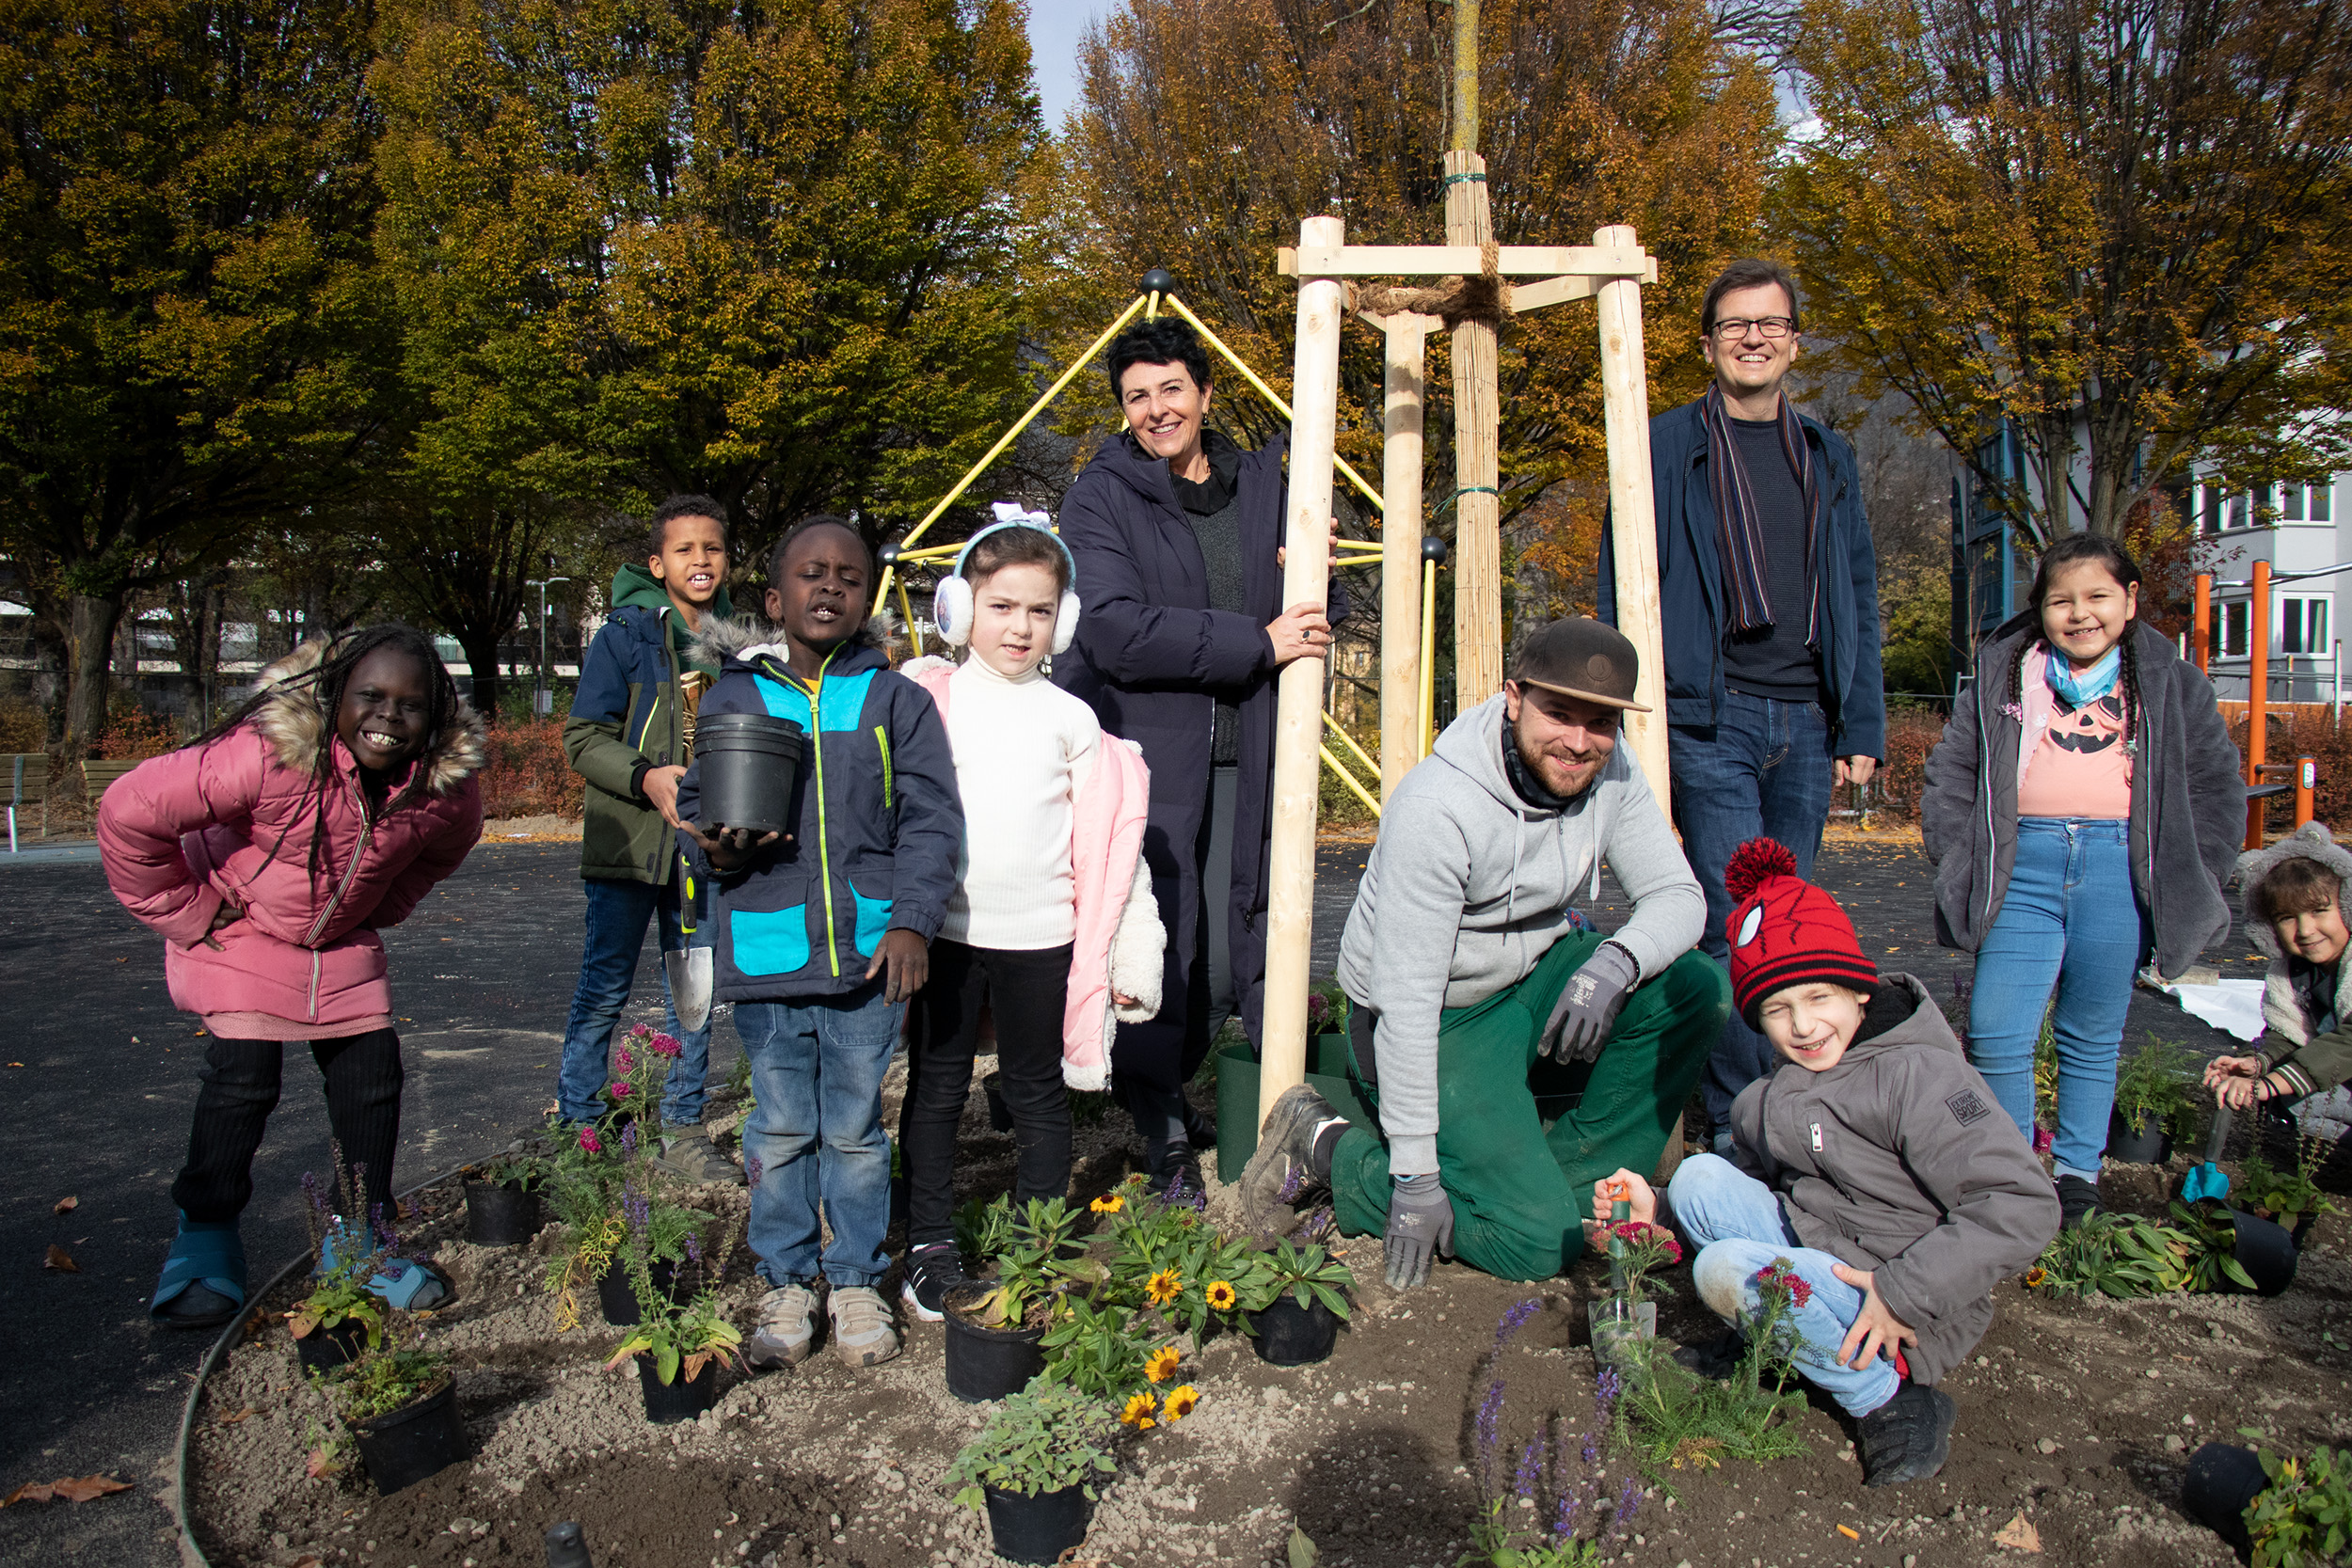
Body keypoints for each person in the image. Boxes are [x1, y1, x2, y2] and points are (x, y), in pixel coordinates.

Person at [1242, 617, 1729, 1290]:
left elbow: (1680, 895)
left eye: (1600, 722)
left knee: (1696, 988)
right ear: (1513, 696)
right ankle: (1329, 1147)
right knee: (1531, 1245)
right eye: (1559, 713)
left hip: (1531, 976)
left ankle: (1574, 1195)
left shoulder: (1611, 771)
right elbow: (1406, 1005)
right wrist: (1411, 1175)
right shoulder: (1440, 807)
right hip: (1435, 1015)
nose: (1578, 741)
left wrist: (1616, 962)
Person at [1585, 838, 2058, 1487]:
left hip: (1906, 1296)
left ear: (1859, 991)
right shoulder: (1771, 1094)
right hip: (1827, 1253)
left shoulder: (1915, 1075)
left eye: (1819, 998)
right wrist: (1658, 1209)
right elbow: (1751, 1195)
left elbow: (2022, 1204)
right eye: (1777, 1010)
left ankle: (1886, 1395)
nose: (1803, 1026)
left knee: (1724, 1269)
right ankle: (1779, 1338)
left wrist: (1902, 1291)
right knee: (1697, 1178)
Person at [99, 626, 486, 1329]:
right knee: (244, 1075)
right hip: (238, 923)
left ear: (437, 715)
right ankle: (206, 1234)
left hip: (336, 939)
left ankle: (357, 1242)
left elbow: (444, 851)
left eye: (411, 704)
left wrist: (377, 906)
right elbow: (130, 812)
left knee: (372, 1073)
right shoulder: (269, 754)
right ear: (336, 696)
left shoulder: (440, 789)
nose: (388, 716)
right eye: (370, 696)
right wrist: (186, 910)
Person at [1597, 257, 1885, 1148]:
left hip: (1806, 719)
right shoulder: (1665, 444)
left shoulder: (1826, 455)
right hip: (1709, 716)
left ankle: (1785, 1106)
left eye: (1769, 324)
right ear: (1709, 343)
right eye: (1734, 325)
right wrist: (1630, 712)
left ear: (1794, 341)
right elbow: (1625, 577)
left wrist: (1861, 719)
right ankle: (1736, 1121)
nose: (1752, 338)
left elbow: (1859, 591)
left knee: (1792, 929)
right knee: (1732, 921)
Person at [1053, 315, 1343, 1193]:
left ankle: (1186, 1088)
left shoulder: (1265, 485)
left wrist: (1314, 567)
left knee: (1225, 950)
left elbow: (1304, 602)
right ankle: (1165, 1131)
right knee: (1153, 945)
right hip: (1147, 749)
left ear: (1206, 394)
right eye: (1137, 397)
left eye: (1171, 388)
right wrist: (1256, 639)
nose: (1156, 409)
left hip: (1249, 745)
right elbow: (1113, 629)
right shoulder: (1101, 495)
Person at [674, 516, 961, 1370]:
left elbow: (931, 820)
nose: (829, 586)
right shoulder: (736, 696)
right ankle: (788, 1277)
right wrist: (712, 843)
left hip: (872, 958)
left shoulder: (894, 700)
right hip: (768, 955)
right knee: (778, 1129)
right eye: (810, 573)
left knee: (855, 1130)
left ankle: (858, 1279)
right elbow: (700, 804)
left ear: (867, 595)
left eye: (847, 575)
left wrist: (912, 918)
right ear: (775, 598)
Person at [1923, 532, 2244, 1225]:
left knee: (2090, 1030)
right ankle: (2012, 1173)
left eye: (2098, 596)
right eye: (2061, 600)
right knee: (1996, 1028)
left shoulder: (2169, 682)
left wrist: (2201, 870)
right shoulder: (2009, 675)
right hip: (2023, 867)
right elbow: (1952, 771)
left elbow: (2218, 787)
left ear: (2129, 601)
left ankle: (2076, 1172)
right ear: (2039, 609)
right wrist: (1959, 858)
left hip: (2118, 868)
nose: (2080, 613)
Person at [894, 515, 1167, 1320]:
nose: (1020, 626)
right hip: (944, 933)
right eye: (1002, 605)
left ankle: (1037, 1240)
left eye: (1039, 611)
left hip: (1042, 938)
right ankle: (929, 1243)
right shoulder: (925, 701)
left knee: (1037, 1091)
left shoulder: (1070, 718)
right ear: (958, 608)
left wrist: (1116, 947)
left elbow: (1103, 845)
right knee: (937, 1086)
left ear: (1064, 621)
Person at [556, 494, 738, 1181]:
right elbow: (582, 736)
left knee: (693, 985)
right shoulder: (625, 637)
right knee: (604, 983)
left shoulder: (735, 647)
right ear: (658, 563)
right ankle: (579, 1121)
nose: (701, 560)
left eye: (713, 548)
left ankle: (683, 1127)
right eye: (685, 549)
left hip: (703, 847)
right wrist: (644, 778)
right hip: (629, 846)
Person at [2207, 821, 2352, 1109]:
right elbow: (2290, 1033)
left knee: (2287, 1086)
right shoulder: (2293, 972)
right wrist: (2256, 1062)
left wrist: (2271, 1084)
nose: (2305, 930)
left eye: (2319, 911)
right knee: (2295, 1099)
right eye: (2286, 917)